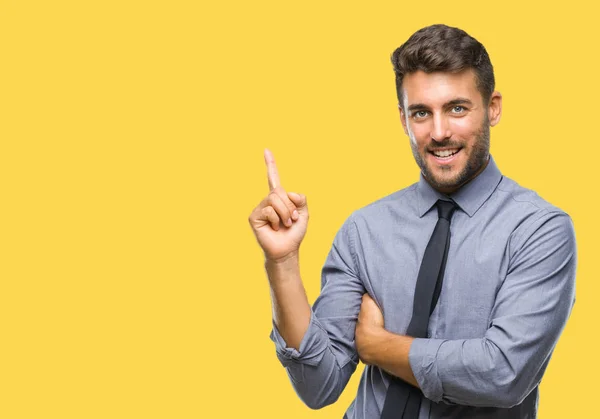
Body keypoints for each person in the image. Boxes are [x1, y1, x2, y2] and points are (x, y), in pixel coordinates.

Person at [247, 24, 576, 419]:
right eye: (421, 112)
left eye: (457, 108)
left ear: (493, 108)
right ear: (403, 119)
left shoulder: (540, 230)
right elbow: (320, 386)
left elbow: (503, 373)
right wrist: (282, 265)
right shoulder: (364, 231)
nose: (439, 132)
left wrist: (378, 345)